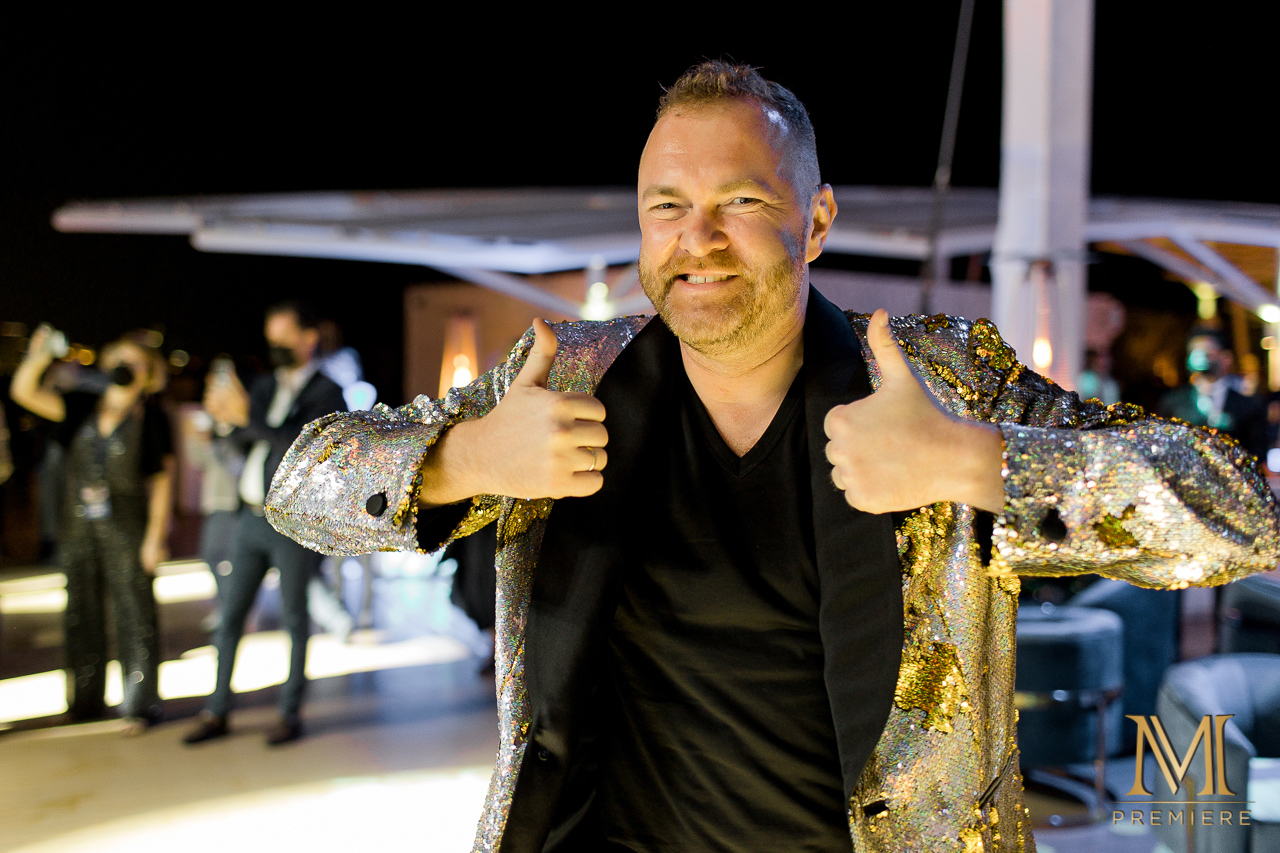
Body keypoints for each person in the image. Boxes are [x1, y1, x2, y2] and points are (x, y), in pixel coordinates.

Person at [265, 63, 1280, 852]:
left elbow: (1241, 515)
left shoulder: (941, 384)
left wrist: (978, 464)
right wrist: (467, 456)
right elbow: (299, 485)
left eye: (741, 202)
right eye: (667, 205)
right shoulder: (564, 378)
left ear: (816, 219)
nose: (697, 239)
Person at [184, 301, 346, 746]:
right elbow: (243, 439)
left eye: (283, 338)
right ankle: (216, 711)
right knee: (230, 615)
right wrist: (223, 425)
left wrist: (246, 419)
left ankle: (289, 713)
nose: (275, 346)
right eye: (270, 338)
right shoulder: (262, 386)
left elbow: (301, 445)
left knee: (295, 618)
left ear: (308, 339)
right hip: (250, 517)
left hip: (292, 523)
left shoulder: (328, 393)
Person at [11, 326, 174, 734]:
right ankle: (83, 703)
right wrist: (38, 356)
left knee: (134, 613)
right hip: (79, 522)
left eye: (134, 362)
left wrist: (155, 538)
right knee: (80, 612)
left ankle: (139, 704)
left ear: (148, 371)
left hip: (127, 523)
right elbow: (23, 392)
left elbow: (161, 482)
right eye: (118, 360)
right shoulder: (81, 405)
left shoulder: (151, 416)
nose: (125, 368)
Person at [1158, 327, 1268, 461]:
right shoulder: (1173, 402)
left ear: (1226, 358)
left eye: (1208, 351)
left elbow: (1257, 453)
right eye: (1194, 350)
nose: (1199, 356)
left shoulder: (1249, 405)